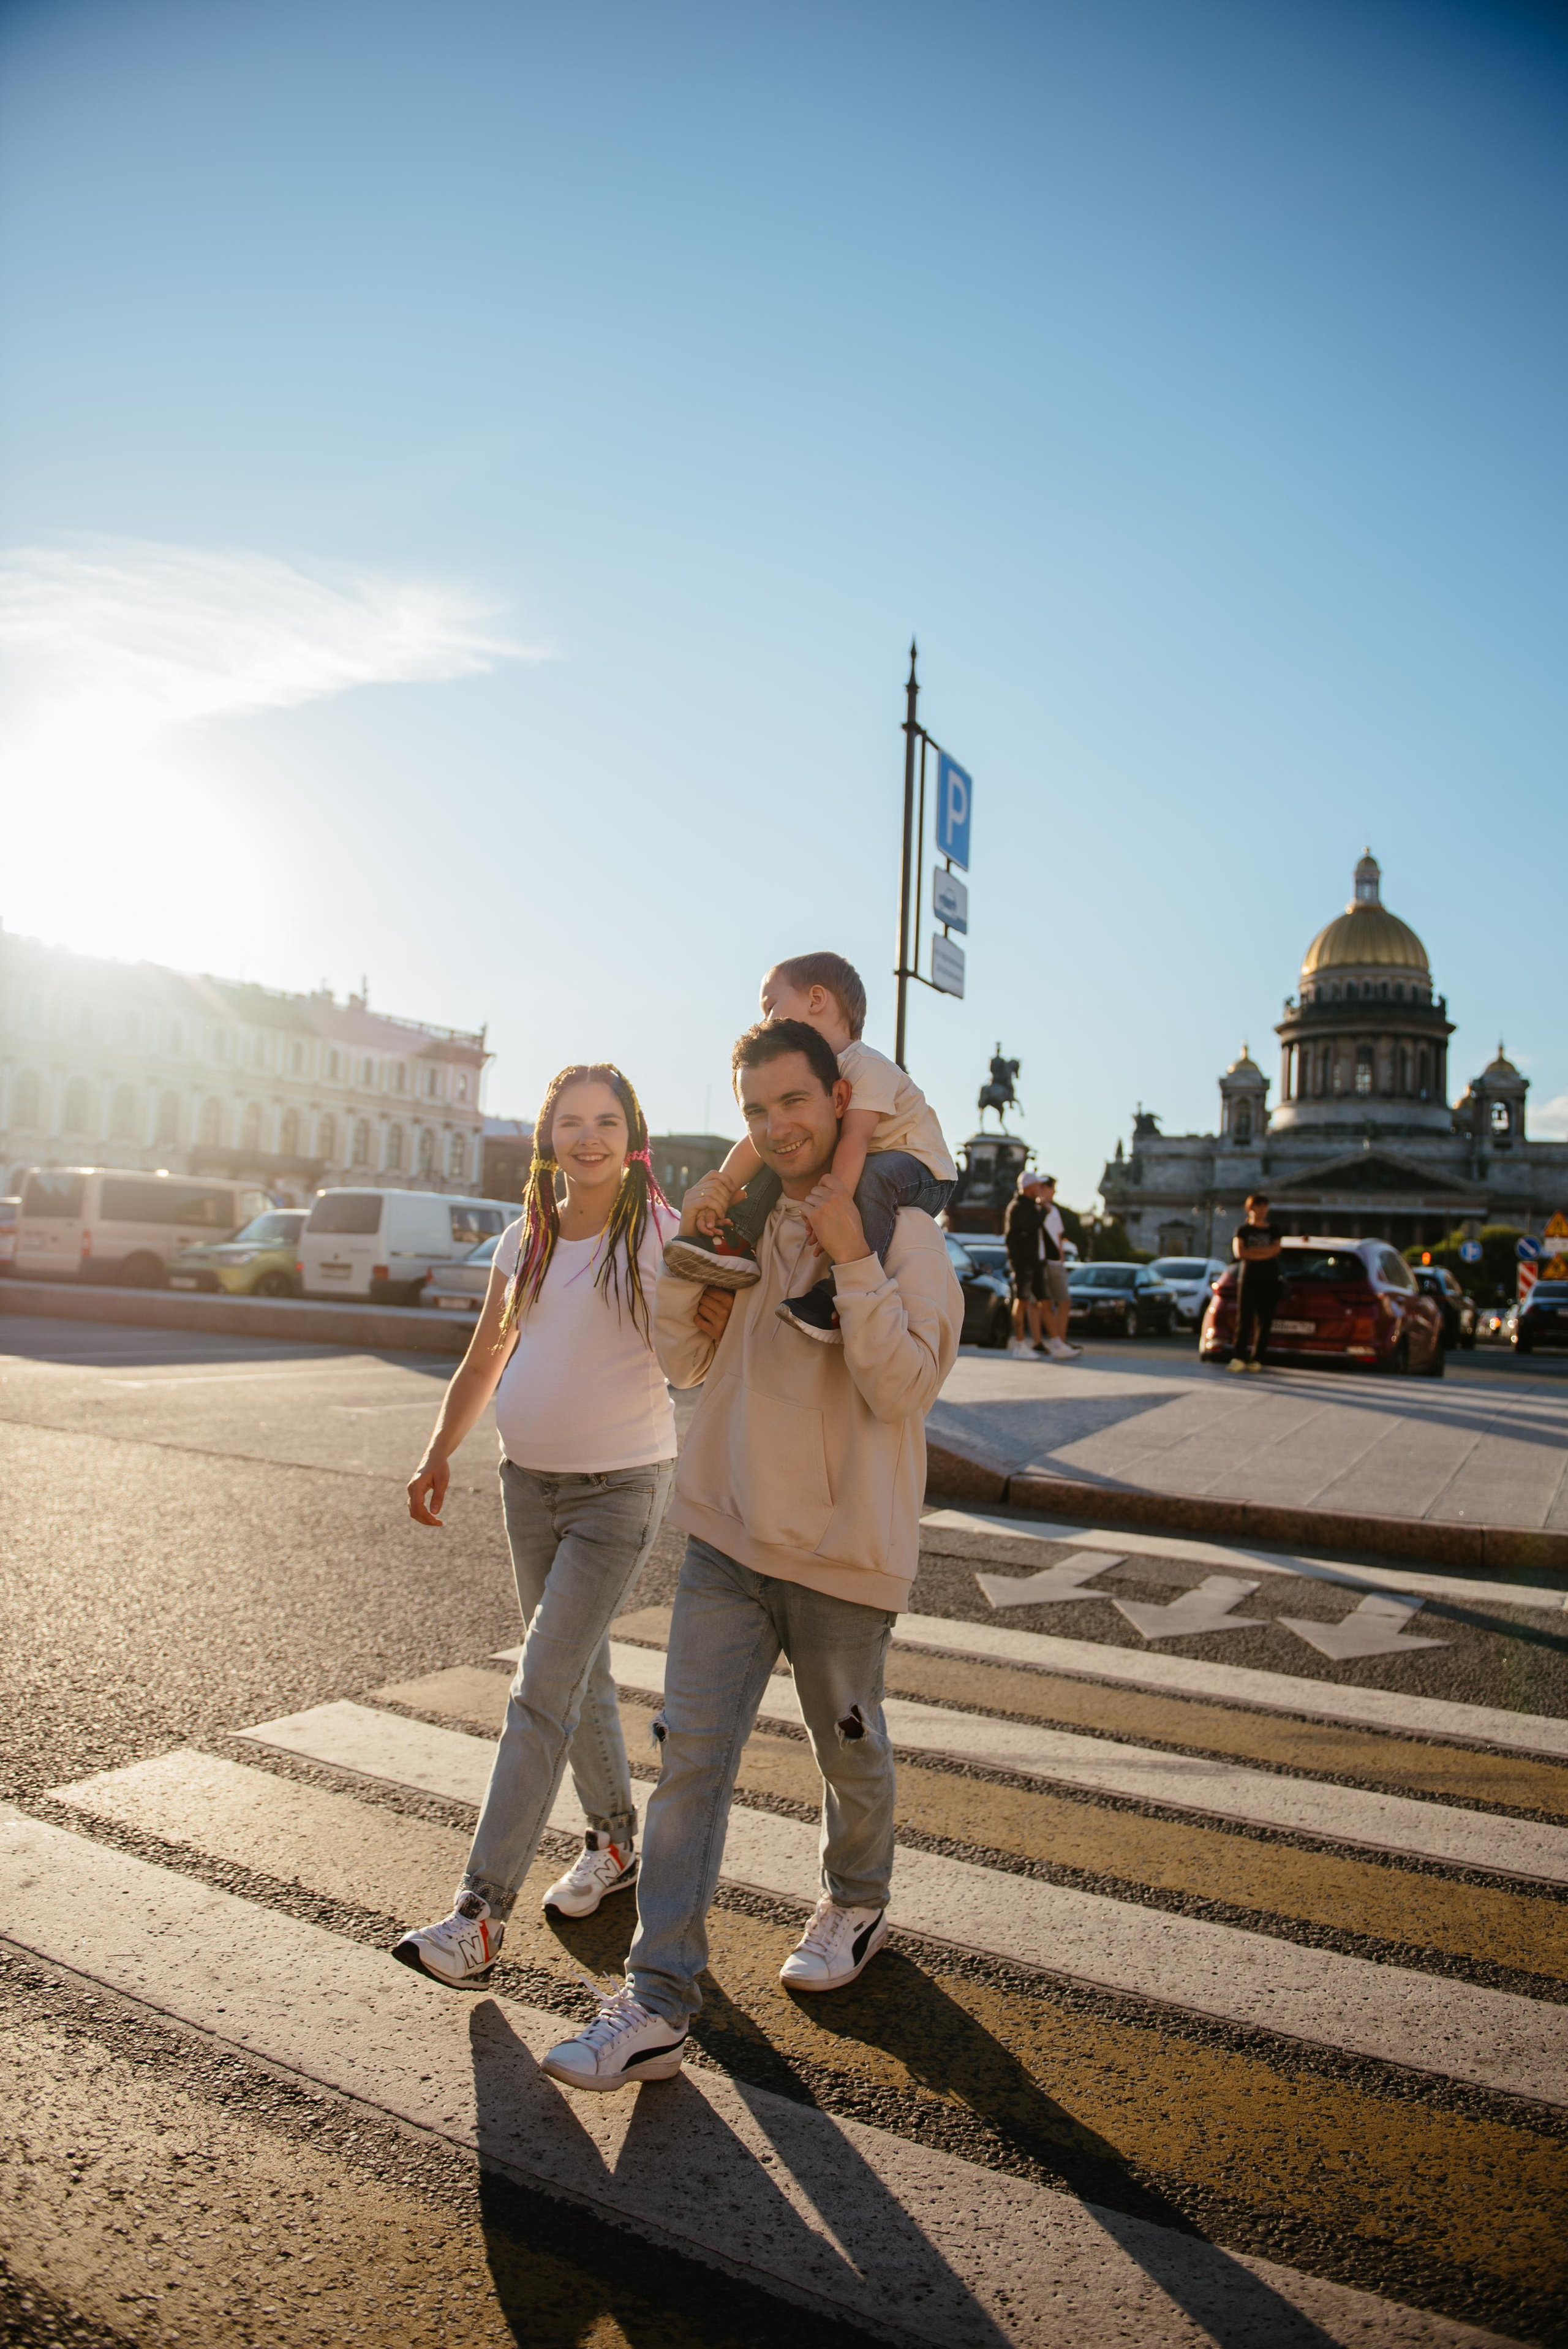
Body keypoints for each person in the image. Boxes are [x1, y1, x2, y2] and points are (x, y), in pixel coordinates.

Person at [540, 1018, 963, 2091]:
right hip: (726, 1535)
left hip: (840, 1551)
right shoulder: (746, 1225)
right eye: (756, 1109)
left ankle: (855, 1893)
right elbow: (683, 1354)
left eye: (794, 1102)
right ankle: (659, 2000)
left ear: (840, 1101)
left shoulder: (905, 1232)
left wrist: (855, 1260)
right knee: (689, 1762)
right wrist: (695, 1279)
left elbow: (906, 1387)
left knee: (847, 1744)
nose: (777, 1125)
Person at [391, 1064, 679, 1986]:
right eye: (569, 1121)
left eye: (605, 1121)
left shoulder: (660, 1234)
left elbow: (700, 1355)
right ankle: (615, 1841)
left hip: (620, 1489)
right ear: (546, 1135)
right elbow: (487, 1354)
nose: (585, 1136)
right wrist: (439, 1451)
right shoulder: (527, 1235)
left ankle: (479, 1915)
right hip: (529, 1486)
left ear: (630, 1133)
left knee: (539, 1685)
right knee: (576, 1664)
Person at [662, 951, 956, 1342]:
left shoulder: (867, 1066)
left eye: (770, 1007)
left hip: (924, 1170)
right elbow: (757, 1145)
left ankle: (836, 1292)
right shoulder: (822, 1069)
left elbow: (855, 1140)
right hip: (873, 1161)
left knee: (873, 1178)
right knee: (780, 1155)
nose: (764, 1021)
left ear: (816, 1000)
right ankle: (738, 1240)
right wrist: (723, 1188)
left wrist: (831, 1207)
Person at [1229, 1192, 1283, 1374]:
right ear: (1250, 1208)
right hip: (1248, 1278)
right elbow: (1240, 1254)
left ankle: (1258, 1358)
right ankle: (1238, 1357)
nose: (1261, 1210)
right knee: (1244, 1318)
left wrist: (1254, 1253)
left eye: (1264, 1207)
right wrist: (1264, 1253)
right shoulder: (1243, 1230)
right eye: (1258, 1206)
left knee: (1264, 1319)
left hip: (1269, 1279)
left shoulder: (1274, 1229)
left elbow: (1275, 1250)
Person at [1034, 1174, 1081, 1361]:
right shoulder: (1037, 1209)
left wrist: (1061, 1258)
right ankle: (1048, 1341)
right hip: (1042, 1261)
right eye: (1052, 1188)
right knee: (1042, 1303)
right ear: (1043, 1188)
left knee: (1063, 1302)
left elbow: (1059, 1236)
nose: (1054, 1192)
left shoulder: (1053, 1210)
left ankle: (1060, 1340)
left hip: (1055, 1263)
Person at [1002, 1170, 1047, 1356]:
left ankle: (1044, 1342)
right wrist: (1043, 1211)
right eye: (1037, 1185)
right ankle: (1020, 1344)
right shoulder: (1019, 1207)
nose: (1040, 1189)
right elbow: (1030, 1227)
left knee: (1038, 1301)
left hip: (1031, 1261)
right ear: (1029, 1187)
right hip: (1022, 1262)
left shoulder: (1027, 1206)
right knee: (1021, 1300)